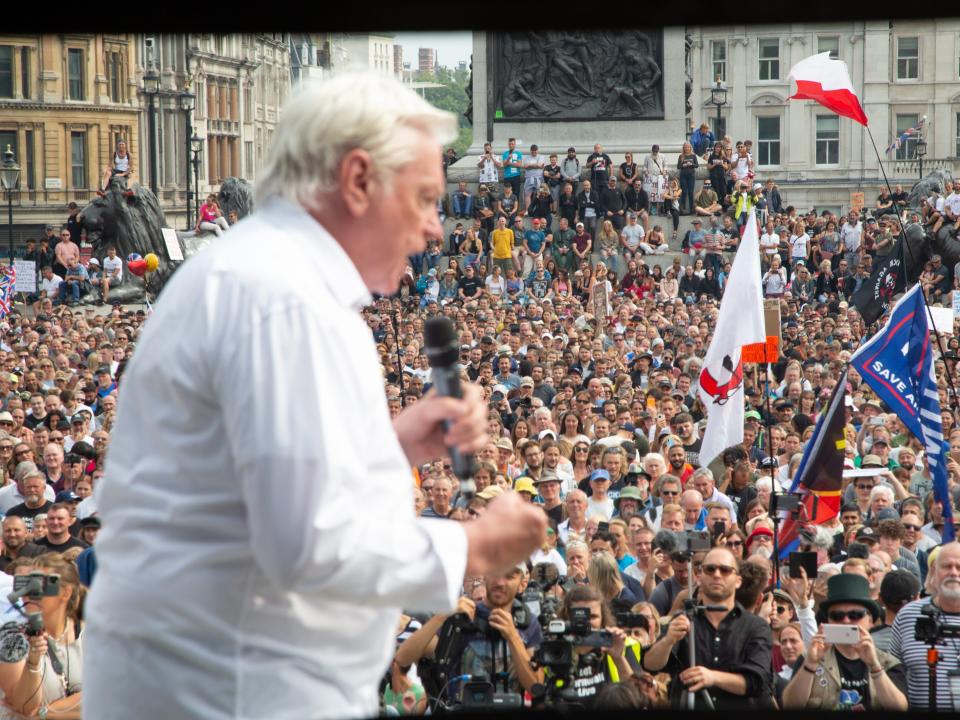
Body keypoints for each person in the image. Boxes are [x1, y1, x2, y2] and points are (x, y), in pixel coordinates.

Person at [84, 72, 547, 720]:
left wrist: (388, 445)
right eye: (424, 198)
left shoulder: (267, 276)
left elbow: (242, 500)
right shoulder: (284, 300)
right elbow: (304, 545)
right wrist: (474, 548)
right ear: (358, 180)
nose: (436, 229)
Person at [642, 546, 773, 708]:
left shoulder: (755, 626)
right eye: (710, 569)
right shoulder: (684, 620)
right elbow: (650, 664)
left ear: (738, 580)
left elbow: (757, 682)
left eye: (725, 570)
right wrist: (668, 641)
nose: (717, 575)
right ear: (698, 577)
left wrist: (713, 677)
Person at [782, 573, 907, 710]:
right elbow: (789, 705)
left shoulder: (888, 662)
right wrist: (810, 665)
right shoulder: (809, 659)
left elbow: (900, 708)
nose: (846, 621)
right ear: (828, 620)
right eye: (837, 616)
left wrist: (875, 666)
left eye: (855, 615)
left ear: (870, 621)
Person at [0, 554, 85, 718]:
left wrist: (45, 713)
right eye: (25, 584)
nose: (28, 593)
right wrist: (33, 662)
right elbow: (26, 706)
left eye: (40, 585)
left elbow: (109, 693)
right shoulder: (11, 638)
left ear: (65, 593)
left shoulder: (89, 636)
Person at [889, 541, 960, 709]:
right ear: (934, 572)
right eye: (947, 566)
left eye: (959, 566)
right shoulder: (908, 615)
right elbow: (894, 672)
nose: (954, 573)